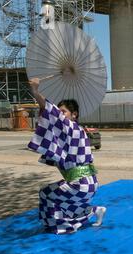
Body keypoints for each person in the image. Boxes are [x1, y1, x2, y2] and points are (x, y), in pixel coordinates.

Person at [27, 78, 106, 234]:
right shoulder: (76, 132)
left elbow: (50, 112)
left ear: (74, 115)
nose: (60, 115)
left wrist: (35, 91)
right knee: (65, 202)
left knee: (46, 194)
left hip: (80, 184)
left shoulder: (72, 128)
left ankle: (62, 228)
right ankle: (95, 210)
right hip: (90, 183)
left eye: (64, 112)